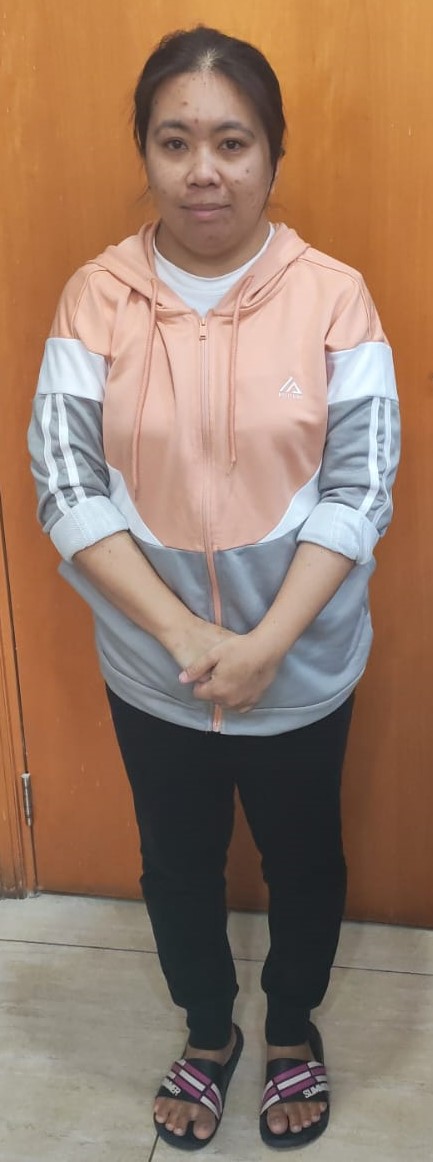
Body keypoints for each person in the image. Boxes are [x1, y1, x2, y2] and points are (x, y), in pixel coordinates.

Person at [28, 25, 400, 1152]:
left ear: (272, 154)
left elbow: (362, 484)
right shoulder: (96, 297)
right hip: (156, 669)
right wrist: (188, 636)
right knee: (177, 864)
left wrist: (266, 641)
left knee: (305, 860)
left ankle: (289, 1031)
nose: (204, 171)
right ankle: (206, 1030)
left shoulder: (333, 296)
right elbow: (64, 484)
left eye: (232, 142)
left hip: (301, 663)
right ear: (144, 151)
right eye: (175, 140)